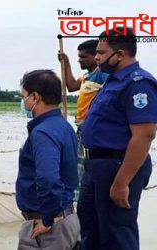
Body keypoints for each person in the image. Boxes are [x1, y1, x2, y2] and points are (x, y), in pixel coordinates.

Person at [79, 27, 157, 250]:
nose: (96, 58)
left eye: (102, 53)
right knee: (90, 227)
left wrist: (122, 182)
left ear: (120, 54)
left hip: (118, 165)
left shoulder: (138, 83)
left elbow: (144, 135)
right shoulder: (112, 81)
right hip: (96, 165)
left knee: (116, 232)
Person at [16, 70, 80, 250]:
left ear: (35, 97)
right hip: (66, 217)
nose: (23, 102)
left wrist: (47, 219)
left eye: (24, 96)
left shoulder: (43, 132)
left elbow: (48, 179)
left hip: (48, 227)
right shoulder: (64, 126)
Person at [58, 40, 109, 190]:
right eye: (79, 57)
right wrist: (66, 63)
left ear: (96, 56)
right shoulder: (87, 76)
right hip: (81, 128)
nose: (79, 60)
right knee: (77, 164)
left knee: (84, 166)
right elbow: (72, 85)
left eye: (83, 57)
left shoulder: (102, 75)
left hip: (92, 128)